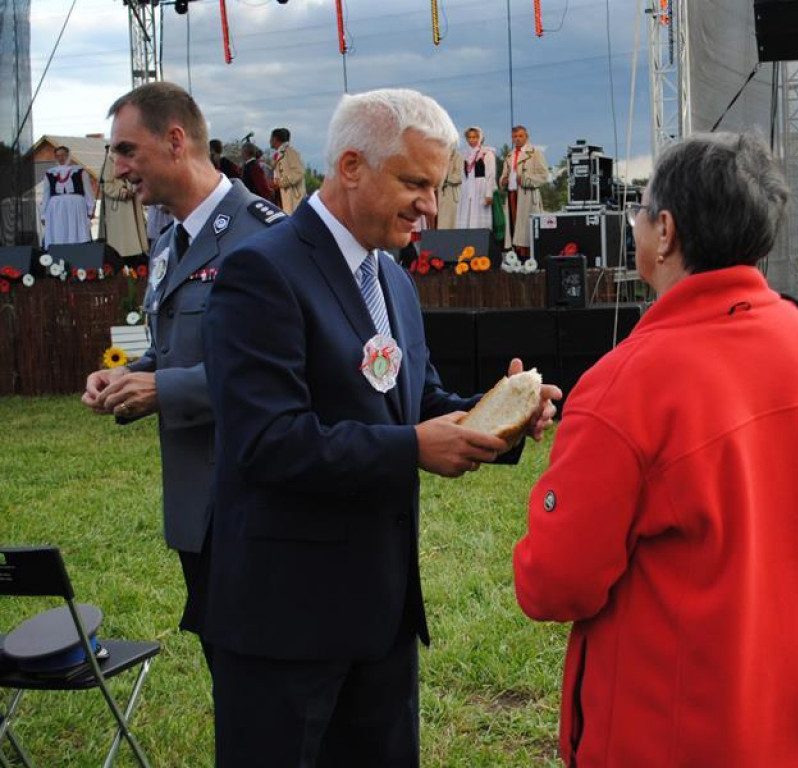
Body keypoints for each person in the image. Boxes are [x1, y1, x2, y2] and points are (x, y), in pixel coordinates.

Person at [200, 87, 560, 767]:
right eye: (415, 182)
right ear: (352, 166)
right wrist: (412, 449)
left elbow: (414, 401)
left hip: (381, 615)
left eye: (436, 183)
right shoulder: (262, 272)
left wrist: (503, 417)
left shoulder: (392, 279)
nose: (431, 203)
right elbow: (266, 441)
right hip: (286, 621)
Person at [513, 133, 798, 766]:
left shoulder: (626, 384)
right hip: (794, 714)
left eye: (642, 210)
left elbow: (554, 584)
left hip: (665, 732)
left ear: (665, 232)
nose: (637, 224)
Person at [81, 81, 285, 641]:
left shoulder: (267, 238)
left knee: (265, 680)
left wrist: (163, 391)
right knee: (228, 667)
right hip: (196, 504)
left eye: (126, 150)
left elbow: (283, 374)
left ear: (175, 140)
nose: (118, 168)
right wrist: (131, 375)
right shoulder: (170, 234)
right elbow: (180, 346)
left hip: (257, 506)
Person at [499, 125, 548, 258]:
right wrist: (503, 180)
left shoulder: (535, 153)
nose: (518, 139)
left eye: (520, 136)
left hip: (528, 196)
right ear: (512, 139)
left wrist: (525, 179)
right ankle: (516, 256)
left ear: (526, 137)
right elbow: (504, 174)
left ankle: (530, 256)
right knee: (514, 225)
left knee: (527, 228)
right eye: (515, 136)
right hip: (512, 195)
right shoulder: (509, 155)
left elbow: (544, 176)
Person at [41, 145, 95, 247]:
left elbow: (88, 192)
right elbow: (45, 195)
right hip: (56, 209)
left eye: (63, 155)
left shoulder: (80, 171)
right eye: (58, 156)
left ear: (68, 156)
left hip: (76, 208)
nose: (61, 158)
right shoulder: (50, 173)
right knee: (59, 232)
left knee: (77, 232)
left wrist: (90, 210)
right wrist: (43, 214)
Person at [98, 151, 148, 259]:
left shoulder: (133, 153)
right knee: (121, 245)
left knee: (135, 244)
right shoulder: (111, 158)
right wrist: (121, 193)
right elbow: (105, 184)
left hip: (133, 203)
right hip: (119, 209)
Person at [455, 126, 496, 229]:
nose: (472, 140)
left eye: (474, 137)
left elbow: (490, 175)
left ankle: (480, 239)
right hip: (467, 189)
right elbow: (463, 175)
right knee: (466, 215)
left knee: (479, 217)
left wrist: (489, 194)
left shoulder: (487, 153)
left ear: (480, 138)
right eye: (469, 137)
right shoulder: (464, 154)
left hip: (481, 188)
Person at [269, 127, 306, 214]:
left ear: (275, 139)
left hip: (292, 199)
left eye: (271, 138)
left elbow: (299, 173)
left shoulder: (291, 152)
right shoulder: (281, 153)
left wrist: (279, 183)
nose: (269, 141)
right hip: (282, 198)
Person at [436, 145, 461, 229]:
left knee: (451, 223)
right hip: (441, 194)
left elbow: (459, 176)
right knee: (442, 223)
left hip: (452, 195)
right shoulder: (439, 156)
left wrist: (445, 177)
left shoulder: (458, 157)